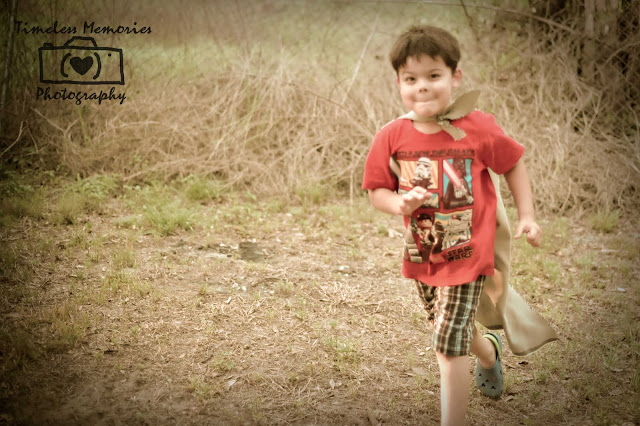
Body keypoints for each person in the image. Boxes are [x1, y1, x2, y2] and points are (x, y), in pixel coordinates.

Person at [362, 25, 543, 425]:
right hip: (423, 254)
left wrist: (527, 216)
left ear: (455, 77)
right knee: (447, 328)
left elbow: (512, 163)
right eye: (411, 79)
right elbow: (377, 191)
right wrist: (399, 203)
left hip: (469, 255)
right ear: (398, 83)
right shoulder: (391, 135)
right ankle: (489, 352)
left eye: (433, 75)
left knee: (446, 344)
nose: (422, 87)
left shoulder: (476, 127)